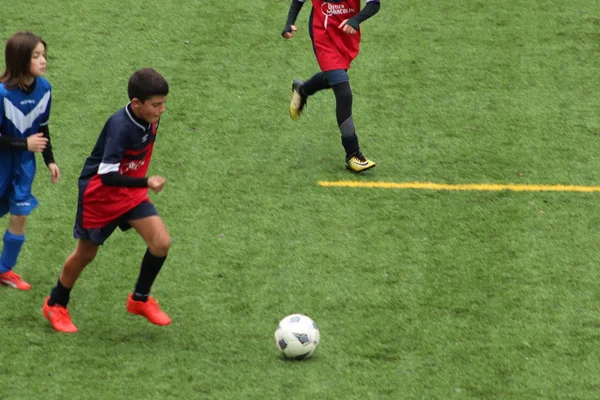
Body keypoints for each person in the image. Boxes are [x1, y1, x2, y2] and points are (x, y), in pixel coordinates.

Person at [43, 68, 172, 333]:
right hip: (100, 195)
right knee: (85, 254)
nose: (162, 109)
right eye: (156, 104)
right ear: (136, 104)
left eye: (164, 103)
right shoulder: (120, 126)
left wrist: (138, 183)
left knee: (161, 242)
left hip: (130, 193)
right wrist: (145, 181)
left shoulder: (151, 118)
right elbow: (107, 175)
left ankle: (139, 299)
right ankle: (56, 303)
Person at [282, 0, 381, 172]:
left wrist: (356, 19)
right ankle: (353, 154)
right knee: (344, 93)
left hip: (345, 33)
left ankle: (302, 90)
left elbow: (374, 3)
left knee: (333, 78)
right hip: (323, 35)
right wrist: (289, 23)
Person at [0, 31, 60, 290]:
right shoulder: (1, 93)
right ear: (20, 60)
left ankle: (4, 269)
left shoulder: (45, 89)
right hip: (2, 164)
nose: (43, 60)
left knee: (20, 215)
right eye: (36, 56)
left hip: (24, 167)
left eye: (43, 55)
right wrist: (24, 144)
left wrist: (50, 160)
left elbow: (42, 128)